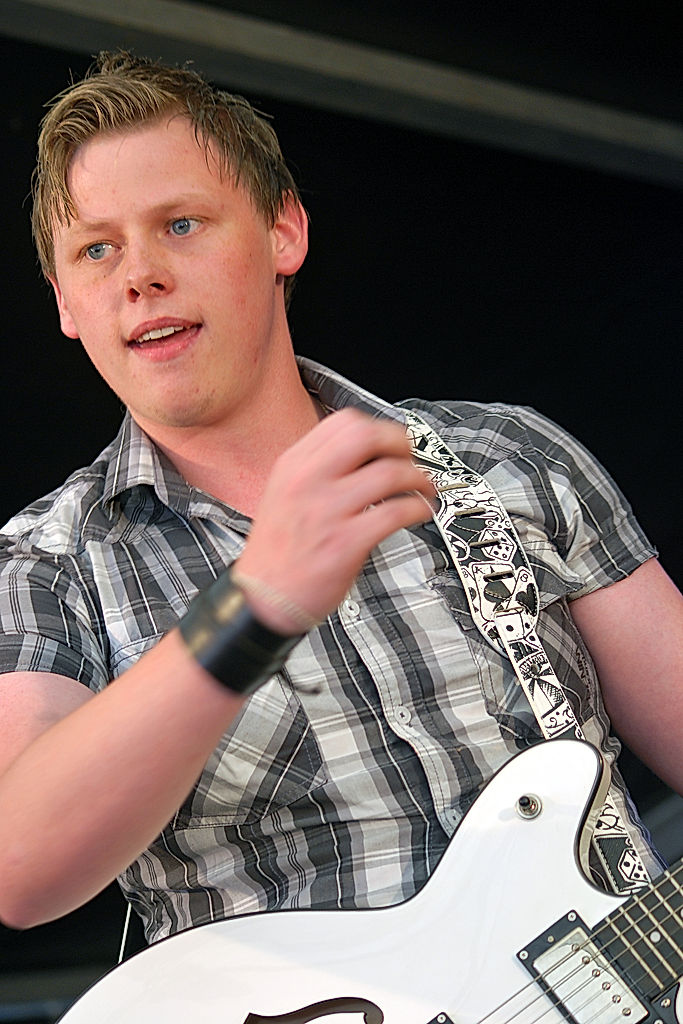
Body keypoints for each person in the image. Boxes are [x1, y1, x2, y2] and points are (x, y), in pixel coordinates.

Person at [0, 51, 681, 946]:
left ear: (283, 233)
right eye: (97, 248)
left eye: (181, 225)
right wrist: (255, 606)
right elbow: (19, 867)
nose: (139, 275)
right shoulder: (50, 559)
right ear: (66, 303)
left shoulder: (503, 457)